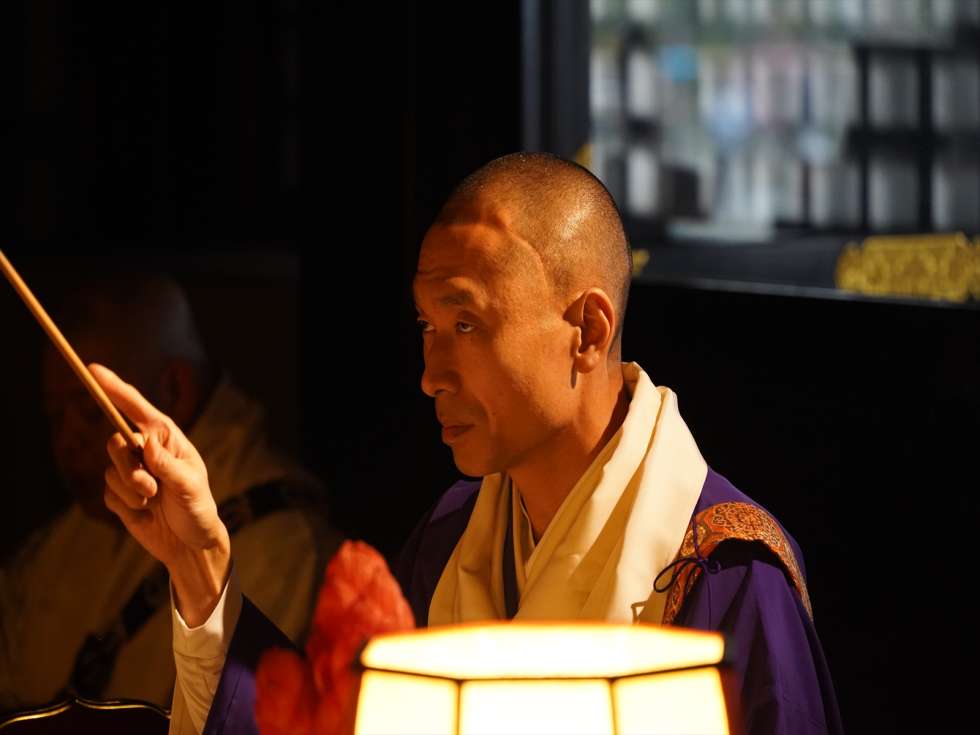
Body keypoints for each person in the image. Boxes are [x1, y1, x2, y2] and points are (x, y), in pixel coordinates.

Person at [93, 154, 843, 734]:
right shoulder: (452, 538)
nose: (430, 375)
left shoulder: (724, 570)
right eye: (426, 326)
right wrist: (200, 564)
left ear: (587, 331)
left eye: (465, 324)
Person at [0, 274, 339, 712]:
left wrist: (198, 569)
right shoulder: (59, 543)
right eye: (54, 416)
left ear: (174, 389)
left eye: (89, 412)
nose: (67, 442)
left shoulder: (283, 545)